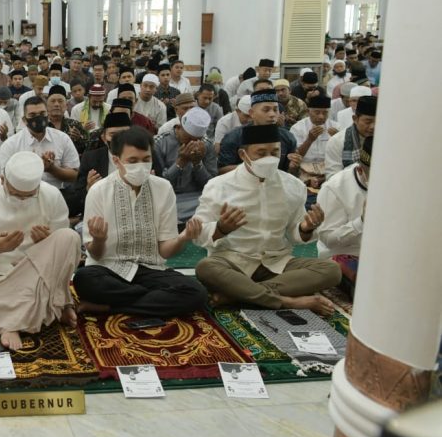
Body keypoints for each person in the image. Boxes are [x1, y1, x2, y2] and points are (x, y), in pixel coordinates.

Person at [193, 125, 341, 315]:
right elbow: (197, 235)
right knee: (206, 267)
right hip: (233, 262)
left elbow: (294, 234)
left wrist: (305, 228)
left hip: (276, 262)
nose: (269, 158)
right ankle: (287, 301)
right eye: (261, 153)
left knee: (331, 270)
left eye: (275, 152)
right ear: (243, 154)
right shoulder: (218, 186)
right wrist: (221, 228)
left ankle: (238, 294)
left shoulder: (293, 186)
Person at [0, 151, 81, 350]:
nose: (22, 200)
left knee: (69, 237)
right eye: (15, 194)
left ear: (38, 186)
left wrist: (45, 243)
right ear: (2, 179)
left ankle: (8, 321)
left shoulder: (52, 195)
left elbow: (61, 250)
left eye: (28, 196)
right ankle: (46, 310)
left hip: (38, 272)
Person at [73, 127, 208, 317]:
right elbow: (95, 253)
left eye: (146, 159)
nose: (141, 166)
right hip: (109, 269)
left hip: (150, 269)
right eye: (133, 161)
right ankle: (152, 299)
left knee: (196, 293)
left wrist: (182, 238)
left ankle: (110, 307)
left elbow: (165, 251)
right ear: (117, 161)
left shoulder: (163, 188)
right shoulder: (99, 191)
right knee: (84, 279)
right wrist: (99, 239)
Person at [317, 136, 371, 285]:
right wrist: (361, 222)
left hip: (385, 252)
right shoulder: (335, 187)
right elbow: (328, 240)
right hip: (348, 254)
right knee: (371, 286)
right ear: (360, 170)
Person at [0, 96, 79, 190]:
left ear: (48, 115)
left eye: (42, 113)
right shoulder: (11, 144)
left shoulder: (62, 138)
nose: (38, 118)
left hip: (55, 194)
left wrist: (52, 169)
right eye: (32, 115)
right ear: (24, 120)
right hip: (22, 194)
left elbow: (74, 175)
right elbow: (5, 178)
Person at [217, 89, 300, 175]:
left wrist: (293, 168)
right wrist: (253, 167)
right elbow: (222, 170)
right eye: (266, 110)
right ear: (252, 113)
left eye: (275, 110)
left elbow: (288, 173)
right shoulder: (234, 137)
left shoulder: (288, 137)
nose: (272, 114)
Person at [155, 108, 218, 222]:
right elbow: (158, 185)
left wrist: (197, 164)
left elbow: (211, 185)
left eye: (197, 140)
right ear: (179, 127)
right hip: (168, 198)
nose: (192, 143)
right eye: (189, 138)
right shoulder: (159, 143)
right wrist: (181, 162)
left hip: (197, 199)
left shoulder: (206, 145)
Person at [290, 95, 339, 189]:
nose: (321, 116)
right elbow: (296, 156)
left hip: (328, 168)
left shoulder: (336, 127)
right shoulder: (297, 128)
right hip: (304, 169)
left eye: (325, 113)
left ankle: (321, 180)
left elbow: (341, 155)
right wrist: (309, 140)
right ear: (308, 112)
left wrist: (337, 139)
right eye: (317, 112)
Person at [325, 95, 375, 179]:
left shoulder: (386, 141)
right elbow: (332, 178)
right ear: (355, 119)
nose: (373, 127)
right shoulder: (337, 141)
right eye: (368, 122)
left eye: (378, 122)